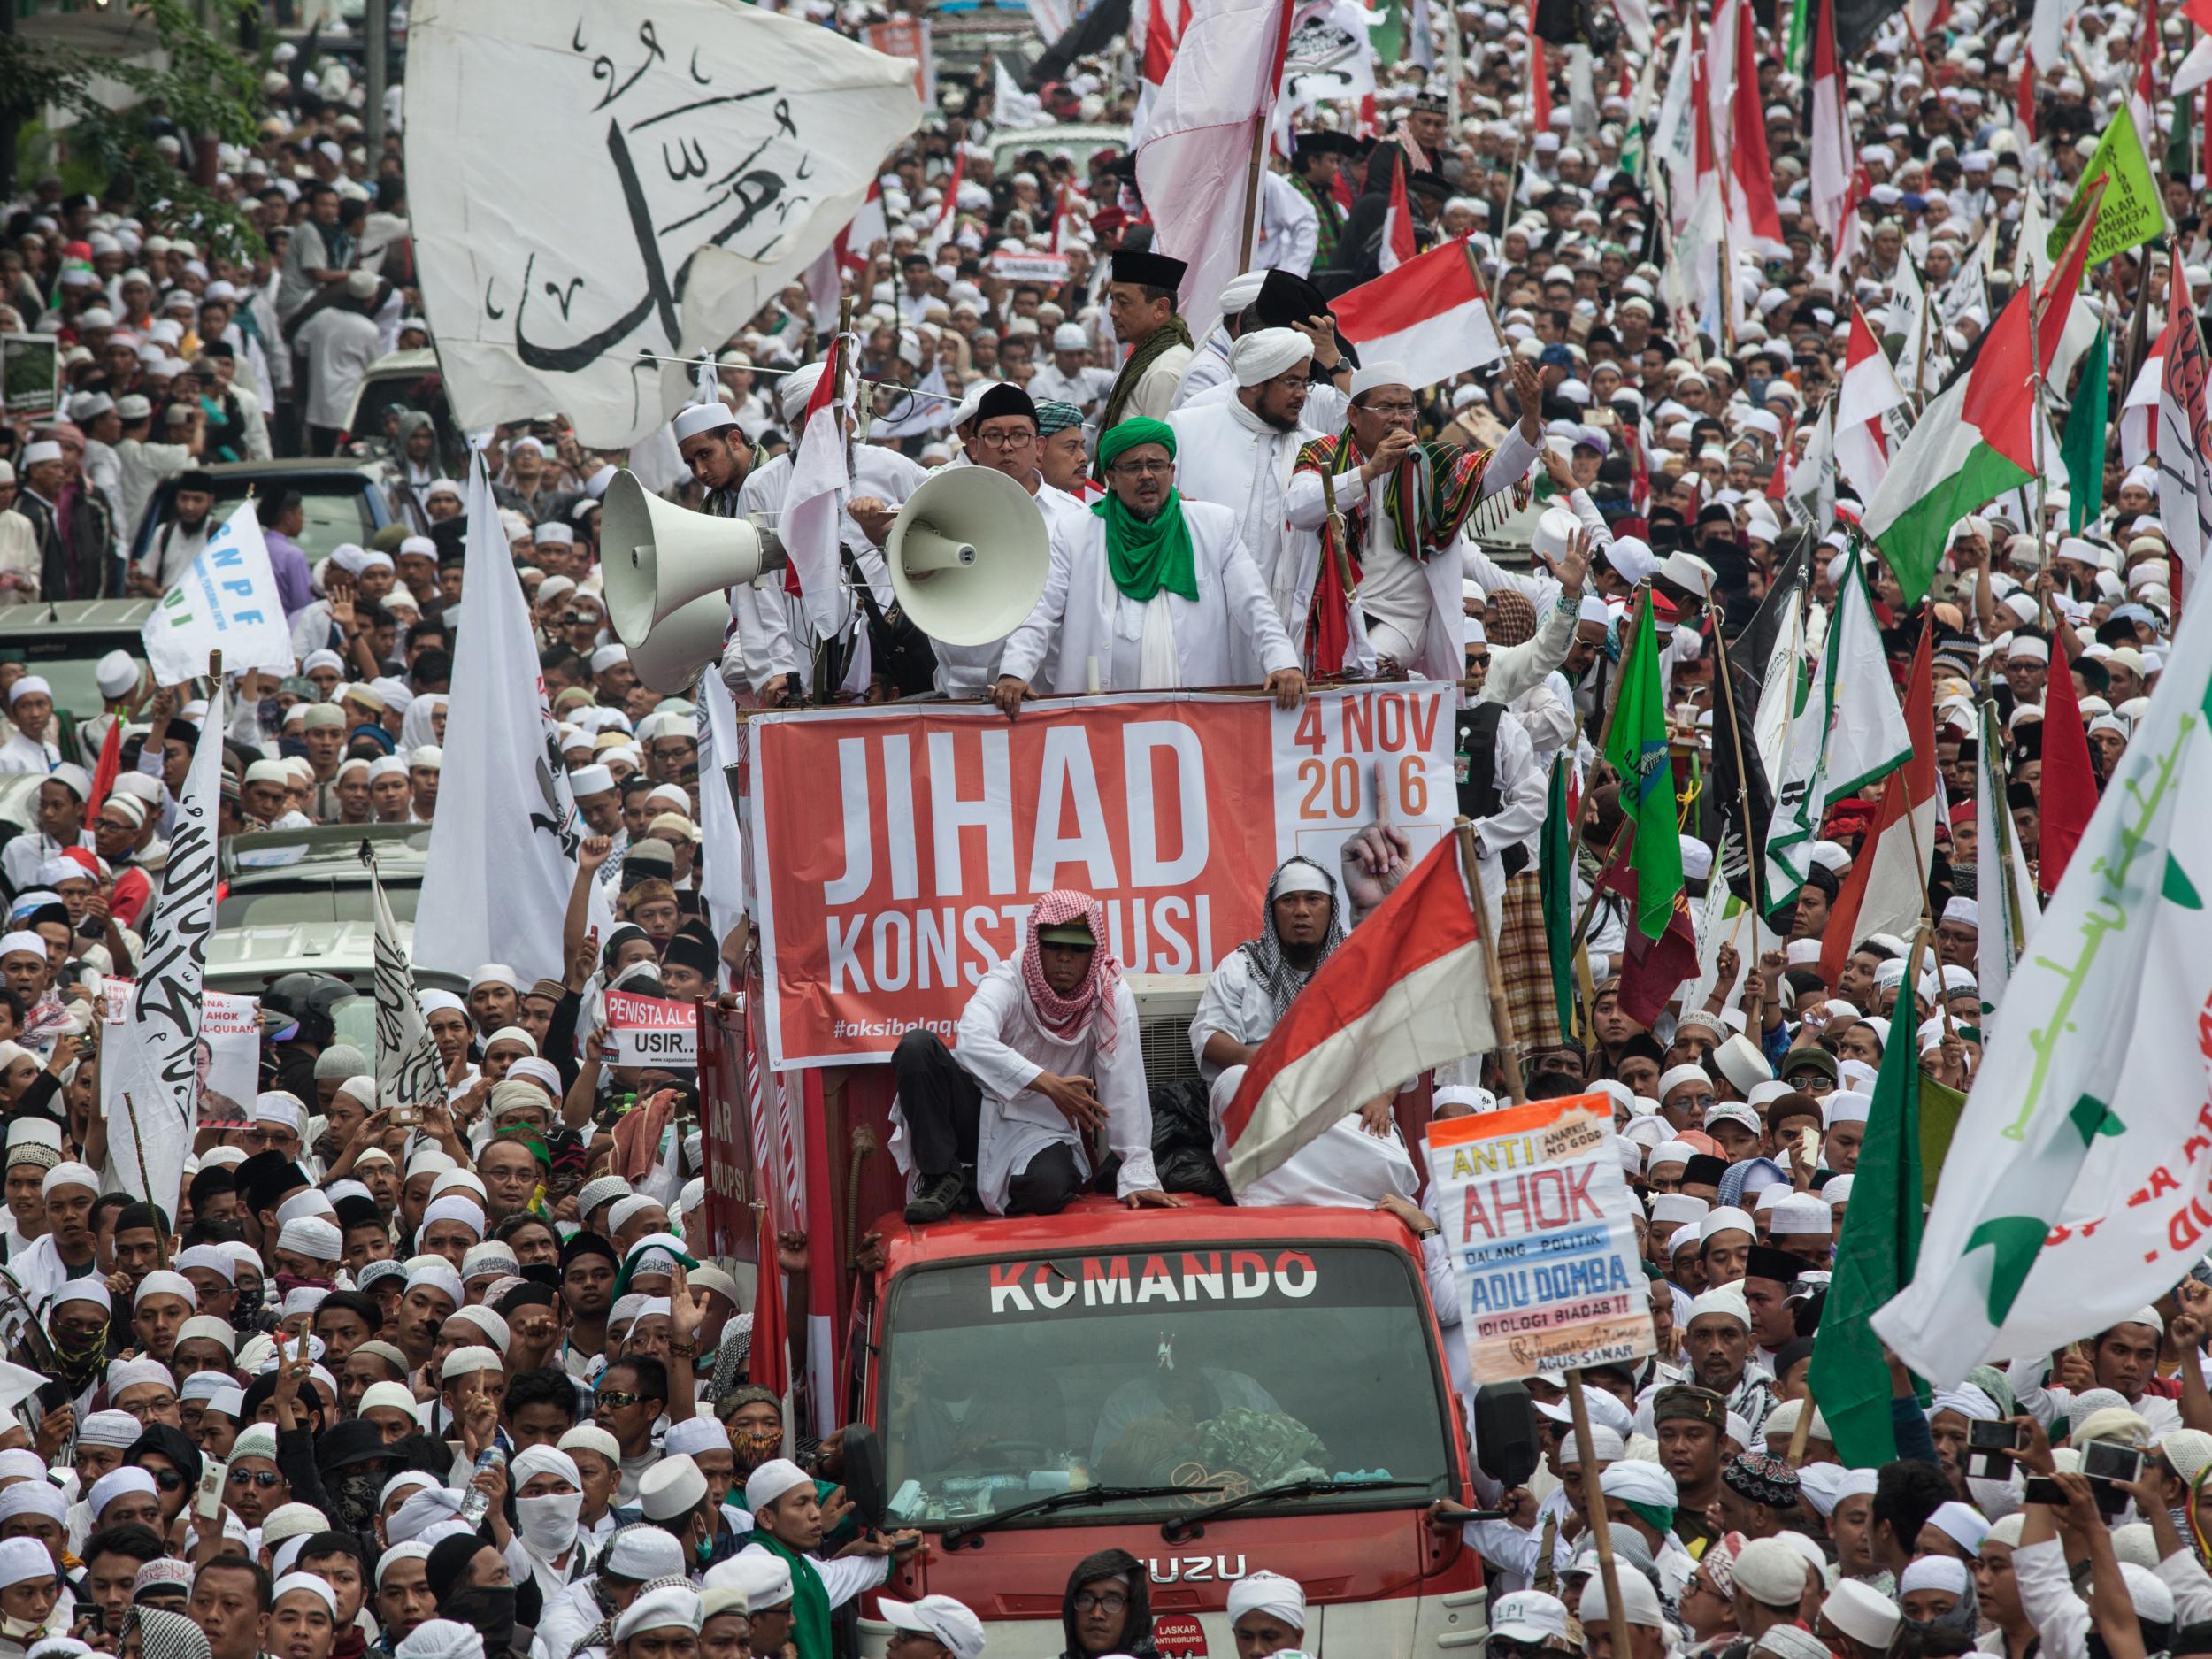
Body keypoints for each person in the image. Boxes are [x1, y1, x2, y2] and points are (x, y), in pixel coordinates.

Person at [889, 891, 1172, 1221]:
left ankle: (966, 1186)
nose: (1064, 958)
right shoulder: (1009, 978)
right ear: (1038, 945)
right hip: (977, 1109)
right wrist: (1048, 1084)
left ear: (1094, 953)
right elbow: (971, 1040)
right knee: (916, 1048)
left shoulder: (1108, 992)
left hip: (1042, 1129)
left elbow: (1125, 1082)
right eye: (1054, 946)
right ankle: (940, 1176)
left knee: (1048, 1189)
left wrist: (1136, 1170)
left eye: (1078, 949)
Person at [993, 418, 1306, 708]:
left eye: (1155, 465)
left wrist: (1283, 663)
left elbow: (1254, 604)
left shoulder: (1213, 525)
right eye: (1133, 467)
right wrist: (1014, 672)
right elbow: (1041, 613)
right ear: (1111, 478)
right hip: (1103, 715)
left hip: (1194, 715)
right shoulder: (1076, 532)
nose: (1146, 476)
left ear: (1171, 472)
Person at [1286, 355, 1545, 681]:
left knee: (1360, 676)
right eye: (1385, 408)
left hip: (1399, 621)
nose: (1398, 418)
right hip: (1331, 613)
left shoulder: (1434, 466)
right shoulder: (1323, 453)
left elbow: (1499, 470)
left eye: (1406, 409)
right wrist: (1367, 472)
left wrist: (1531, 415)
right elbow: (1299, 509)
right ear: (1353, 415)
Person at [1193, 855, 1418, 1206]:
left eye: (1313, 899)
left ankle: (1278, 1193)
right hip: (1265, 1102)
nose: (1301, 911)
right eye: (1289, 901)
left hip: (1340, 1105)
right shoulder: (1241, 966)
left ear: (1330, 908)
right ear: (1273, 910)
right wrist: (1258, 1060)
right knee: (1233, 1082)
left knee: (1391, 1163)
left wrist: (1382, 1095)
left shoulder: (1359, 968)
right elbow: (1207, 1035)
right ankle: (1335, 1194)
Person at [1097, 249, 1194, 434]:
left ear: (1160, 308)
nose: (1113, 311)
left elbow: (1155, 457)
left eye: (1123, 302)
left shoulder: (1164, 370)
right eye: (1112, 300)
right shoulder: (1145, 356)